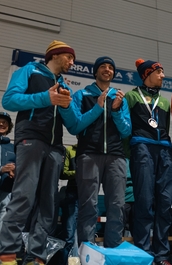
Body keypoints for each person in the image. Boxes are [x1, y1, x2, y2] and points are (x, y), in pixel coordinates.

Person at [0, 40, 76, 265]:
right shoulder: (29, 70)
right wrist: (46, 98)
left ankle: (36, 257)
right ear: (55, 55)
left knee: (48, 203)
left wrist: (66, 106)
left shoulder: (64, 85)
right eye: (69, 57)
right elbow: (9, 100)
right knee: (23, 197)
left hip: (55, 148)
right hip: (30, 140)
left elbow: (72, 125)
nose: (72, 62)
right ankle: (7, 254)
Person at [64, 56, 131, 248]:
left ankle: (113, 249)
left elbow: (126, 131)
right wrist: (97, 107)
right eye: (103, 66)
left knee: (117, 205)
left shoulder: (119, 98)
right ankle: (86, 250)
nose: (107, 69)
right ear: (95, 71)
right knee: (88, 205)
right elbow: (75, 126)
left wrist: (116, 111)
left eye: (111, 67)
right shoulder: (81, 95)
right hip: (89, 154)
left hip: (116, 156)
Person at [125, 58, 172, 265]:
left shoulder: (164, 101)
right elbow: (125, 128)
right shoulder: (131, 96)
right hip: (141, 148)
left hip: (163, 150)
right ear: (147, 75)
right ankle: (144, 253)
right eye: (159, 72)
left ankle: (162, 255)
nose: (163, 76)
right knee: (144, 202)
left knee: (164, 203)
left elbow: (166, 128)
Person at [59, 143, 79, 257]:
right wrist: (78, 173)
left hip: (89, 194)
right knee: (69, 234)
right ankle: (66, 261)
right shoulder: (70, 150)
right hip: (72, 192)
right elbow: (63, 173)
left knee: (86, 234)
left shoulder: (93, 150)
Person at [0, 112, 15, 232]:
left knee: (3, 222)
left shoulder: (13, 147)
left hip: (6, 191)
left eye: (5, 122)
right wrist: (1, 169)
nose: (1, 124)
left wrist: (14, 172)